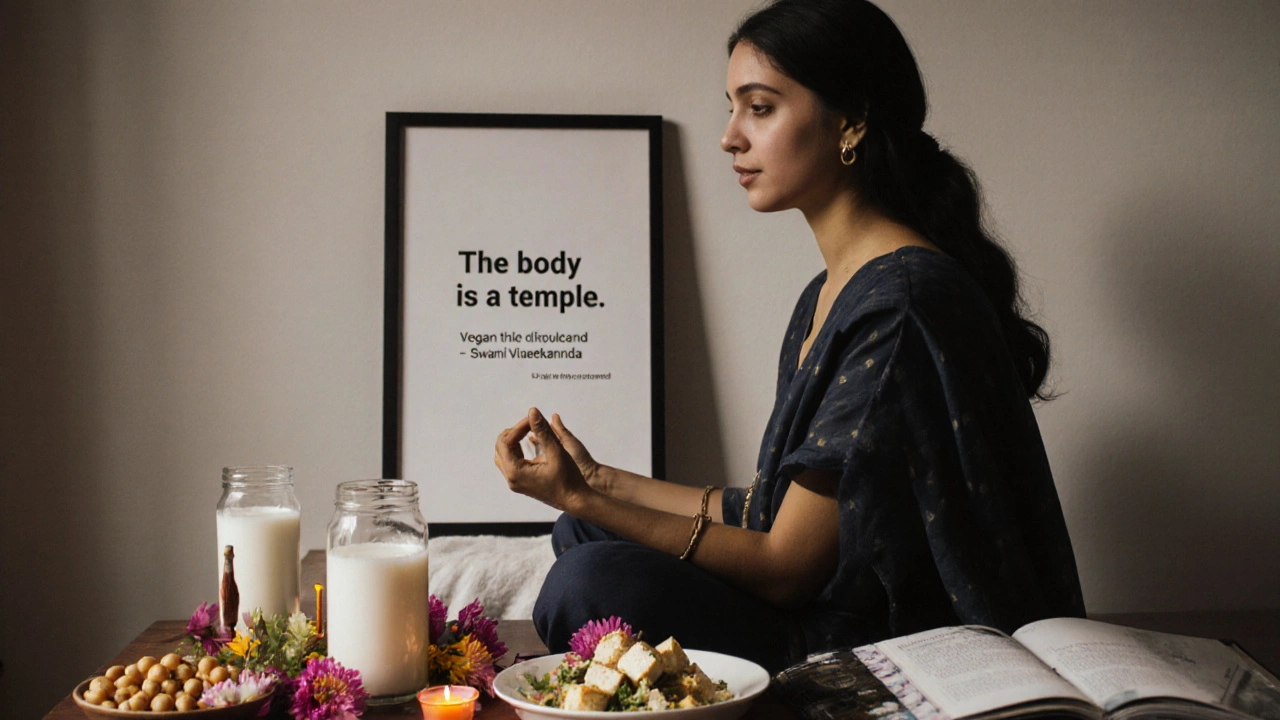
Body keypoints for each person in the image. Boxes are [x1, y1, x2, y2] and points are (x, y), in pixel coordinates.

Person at [494, 0, 1084, 674]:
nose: (729, 137)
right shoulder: (827, 295)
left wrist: (588, 496)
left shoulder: (900, 304)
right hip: (815, 597)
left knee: (588, 580)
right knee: (583, 529)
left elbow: (785, 569)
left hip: (872, 641)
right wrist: (598, 485)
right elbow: (769, 509)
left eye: (761, 107)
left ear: (852, 120)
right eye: (731, 107)